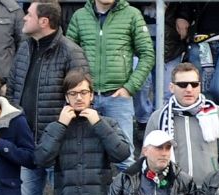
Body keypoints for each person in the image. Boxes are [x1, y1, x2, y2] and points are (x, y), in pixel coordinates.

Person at [9, 2, 88, 195]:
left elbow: (82, 97)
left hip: (60, 147)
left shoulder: (71, 52)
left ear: (44, 21)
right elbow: (14, 89)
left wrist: (61, 135)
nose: (24, 18)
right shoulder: (25, 47)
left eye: (29, 14)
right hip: (27, 144)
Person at [63, 0, 153, 140]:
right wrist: (77, 89)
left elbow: (147, 54)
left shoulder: (132, 14)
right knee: (85, 148)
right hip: (86, 97)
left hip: (118, 98)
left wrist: (129, 88)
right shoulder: (80, 16)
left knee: (124, 151)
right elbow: (67, 54)